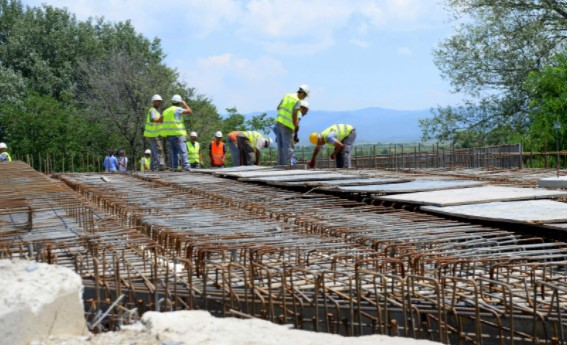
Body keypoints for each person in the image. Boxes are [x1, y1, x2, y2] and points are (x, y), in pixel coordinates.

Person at [275, 84, 309, 166]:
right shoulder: (297, 100)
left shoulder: (287, 95)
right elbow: (294, 115)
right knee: (288, 147)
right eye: (305, 96)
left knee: (280, 146)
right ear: (302, 93)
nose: (304, 98)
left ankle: (280, 165)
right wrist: (294, 126)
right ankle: (288, 166)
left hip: (278, 122)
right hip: (288, 126)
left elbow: (278, 107)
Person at [161, 94, 192, 171]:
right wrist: (185, 104)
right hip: (178, 134)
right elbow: (189, 111)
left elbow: (161, 120)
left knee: (173, 152)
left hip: (170, 135)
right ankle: (186, 166)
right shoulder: (178, 109)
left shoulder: (166, 111)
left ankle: (174, 167)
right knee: (183, 151)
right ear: (179, 102)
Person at [143, 94, 166, 171]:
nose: (159, 103)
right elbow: (153, 119)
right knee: (158, 149)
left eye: (160, 101)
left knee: (153, 151)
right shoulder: (152, 110)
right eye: (158, 101)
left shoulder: (156, 111)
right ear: (153, 102)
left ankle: (153, 167)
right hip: (153, 134)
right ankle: (160, 165)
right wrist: (161, 119)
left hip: (154, 134)